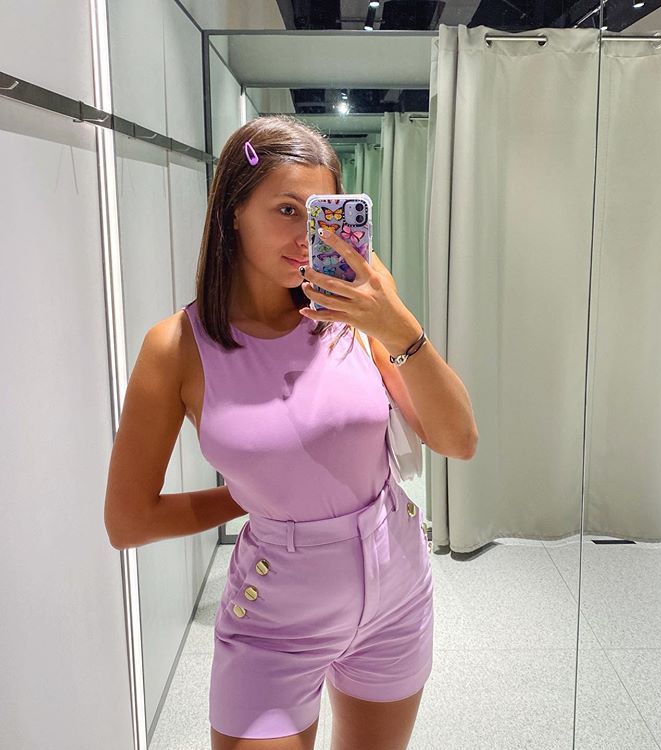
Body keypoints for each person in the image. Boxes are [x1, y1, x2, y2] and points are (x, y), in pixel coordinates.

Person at [105, 115, 478, 750]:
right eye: (286, 210)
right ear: (233, 211)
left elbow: (457, 439)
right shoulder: (176, 348)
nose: (307, 238)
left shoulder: (354, 315)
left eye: (321, 215)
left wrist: (397, 324)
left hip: (397, 593)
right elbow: (129, 521)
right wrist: (256, 499)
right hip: (275, 618)